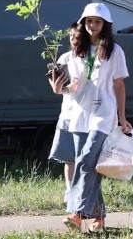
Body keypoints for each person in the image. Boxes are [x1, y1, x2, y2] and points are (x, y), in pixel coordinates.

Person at [62, 3, 132, 232]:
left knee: (85, 159)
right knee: (90, 165)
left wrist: (122, 117)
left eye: (97, 21)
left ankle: (76, 212)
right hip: (80, 114)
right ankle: (99, 216)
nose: (92, 25)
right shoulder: (75, 52)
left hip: (104, 114)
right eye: (89, 21)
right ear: (83, 23)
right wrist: (61, 87)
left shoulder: (115, 51)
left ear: (105, 25)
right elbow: (68, 86)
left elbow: (119, 85)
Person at [47, 22, 80, 202]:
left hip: (86, 115)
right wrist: (57, 87)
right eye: (71, 37)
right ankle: (70, 191)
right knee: (69, 159)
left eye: (77, 37)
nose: (73, 40)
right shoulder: (64, 58)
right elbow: (57, 88)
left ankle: (84, 195)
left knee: (86, 160)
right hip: (67, 114)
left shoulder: (91, 58)